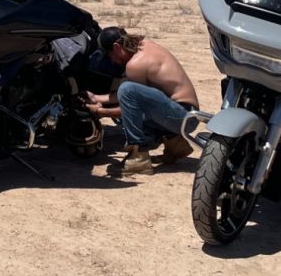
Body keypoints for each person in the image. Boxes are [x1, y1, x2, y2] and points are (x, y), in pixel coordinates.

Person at [85, 26, 200, 177]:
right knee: (129, 93)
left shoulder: (135, 64)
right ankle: (176, 145)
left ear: (117, 47)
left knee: (127, 100)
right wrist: (96, 98)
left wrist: (101, 112)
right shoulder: (144, 45)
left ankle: (138, 158)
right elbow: (136, 97)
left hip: (182, 118)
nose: (112, 61)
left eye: (109, 55)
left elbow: (130, 108)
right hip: (186, 114)